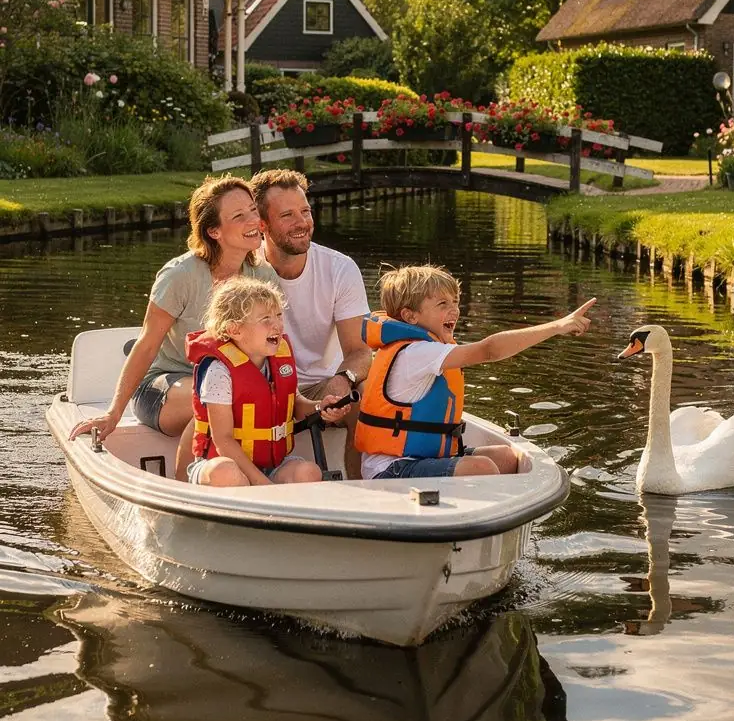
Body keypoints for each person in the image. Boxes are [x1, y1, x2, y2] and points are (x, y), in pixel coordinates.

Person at [70, 176, 274, 477]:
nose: (253, 220)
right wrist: (113, 414)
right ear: (213, 231)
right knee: (210, 397)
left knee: (224, 393)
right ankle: (184, 492)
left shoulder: (263, 275)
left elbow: (275, 343)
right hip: (164, 385)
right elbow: (147, 344)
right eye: (239, 216)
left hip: (235, 383)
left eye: (253, 210)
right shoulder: (180, 276)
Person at [355, 264, 595, 480]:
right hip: (391, 469)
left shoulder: (428, 347)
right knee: (482, 468)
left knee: (509, 458)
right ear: (410, 316)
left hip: (420, 458)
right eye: (442, 304)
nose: (454, 310)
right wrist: (558, 326)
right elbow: (489, 350)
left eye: (455, 301)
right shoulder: (418, 353)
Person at [252, 168, 371, 478]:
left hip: (320, 386)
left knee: (367, 393)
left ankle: (362, 493)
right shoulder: (246, 269)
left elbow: (360, 351)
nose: (302, 222)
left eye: (305, 211)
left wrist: (343, 377)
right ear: (262, 225)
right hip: (265, 385)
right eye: (288, 215)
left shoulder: (340, 268)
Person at [186, 276, 350, 488]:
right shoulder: (219, 371)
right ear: (235, 330)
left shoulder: (277, 360)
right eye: (266, 320)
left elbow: (295, 405)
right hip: (221, 465)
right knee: (225, 473)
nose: (277, 325)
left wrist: (320, 407)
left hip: (272, 465)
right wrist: (261, 484)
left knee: (309, 473)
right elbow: (223, 440)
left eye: (279, 316)